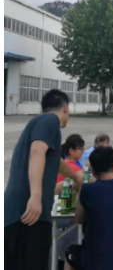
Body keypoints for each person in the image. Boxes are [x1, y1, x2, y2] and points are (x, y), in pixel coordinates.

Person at [5, 89, 83, 270]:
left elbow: (54, 161)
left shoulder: (39, 125)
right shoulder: (50, 120)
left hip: (18, 215)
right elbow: (37, 152)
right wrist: (36, 196)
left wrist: (76, 176)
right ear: (65, 108)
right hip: (30, 214)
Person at [64, 146, 113, 270]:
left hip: (95, 260)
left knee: (70, 252)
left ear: (93, 171)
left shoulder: (87, 190)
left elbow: (79, 219)